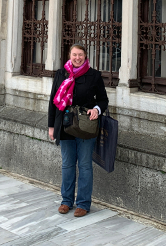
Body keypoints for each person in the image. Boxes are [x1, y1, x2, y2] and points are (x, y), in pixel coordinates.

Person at [47, 44, 109, 217]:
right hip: (65, 125)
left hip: (84, 127)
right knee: (67, 165)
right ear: (70, 55)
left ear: (85, 56)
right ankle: (66, 201)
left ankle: (83, 203)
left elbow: (103, 100)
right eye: (74, 54)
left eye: (80, 55)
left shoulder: (94, 75)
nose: (77, 58)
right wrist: (51, 126)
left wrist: (96, 109)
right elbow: (53, 101)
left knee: (84, 165)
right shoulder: (61, 74)